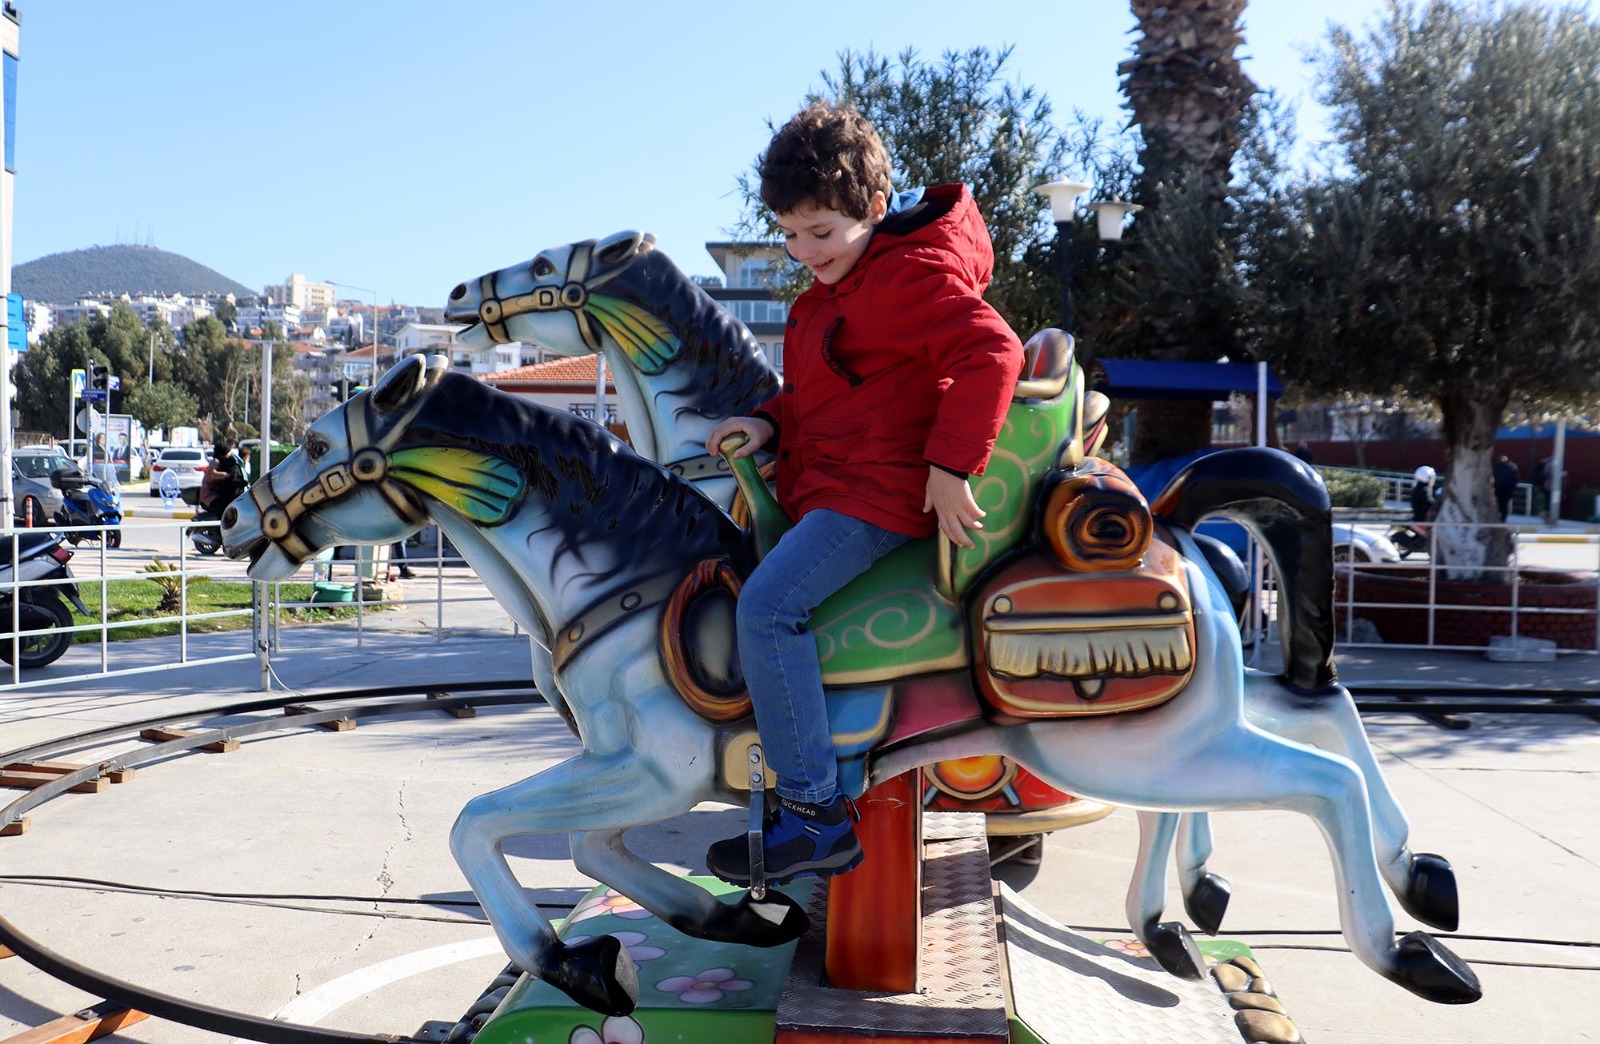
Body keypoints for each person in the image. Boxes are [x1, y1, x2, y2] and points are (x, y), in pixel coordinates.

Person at [702, 103, 1024, 885]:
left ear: (874, 211)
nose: (804, 251)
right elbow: (830, 398)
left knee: (768, 608)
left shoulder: (902, 277)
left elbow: (992, 351)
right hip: (837, 482)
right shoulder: (836, 292)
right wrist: (767, 422)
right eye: (789, 233)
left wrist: (951, 468)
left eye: (822, 233)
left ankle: (814, 815)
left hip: (875, 498)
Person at [199, 439, 248, 514]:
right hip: (209, 495)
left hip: (215, 493)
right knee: (225, 508)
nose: (230, 454)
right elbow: (213, 474)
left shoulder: (222, 461)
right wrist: (228, 476)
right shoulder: (216, 461)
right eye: (229, 452)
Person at [1492, 454, 1519, 522]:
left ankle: (1497, 516)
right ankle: (1503, 518)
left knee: (1497, 502)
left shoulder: (1495, 466)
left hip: (1498, 487)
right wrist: (1513, 486)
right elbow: (1516, 477)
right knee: (1505, 503)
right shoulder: (1512, 466)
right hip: (1508, 488)